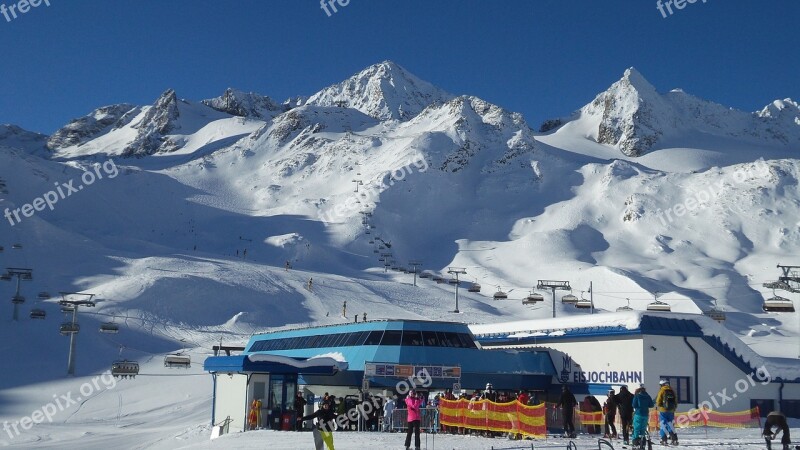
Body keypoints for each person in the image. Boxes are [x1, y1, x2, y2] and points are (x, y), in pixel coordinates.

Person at [655, 379, 678, 445]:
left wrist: (660, 406)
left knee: (663, 425)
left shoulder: (662, 390)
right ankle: (674, 439)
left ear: (662, 384)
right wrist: (674, 408)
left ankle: (664, 440)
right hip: (671, 411)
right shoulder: (672, 390)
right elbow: (676, 401)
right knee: (670, 425)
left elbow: (658, 401)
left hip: (663, 411)